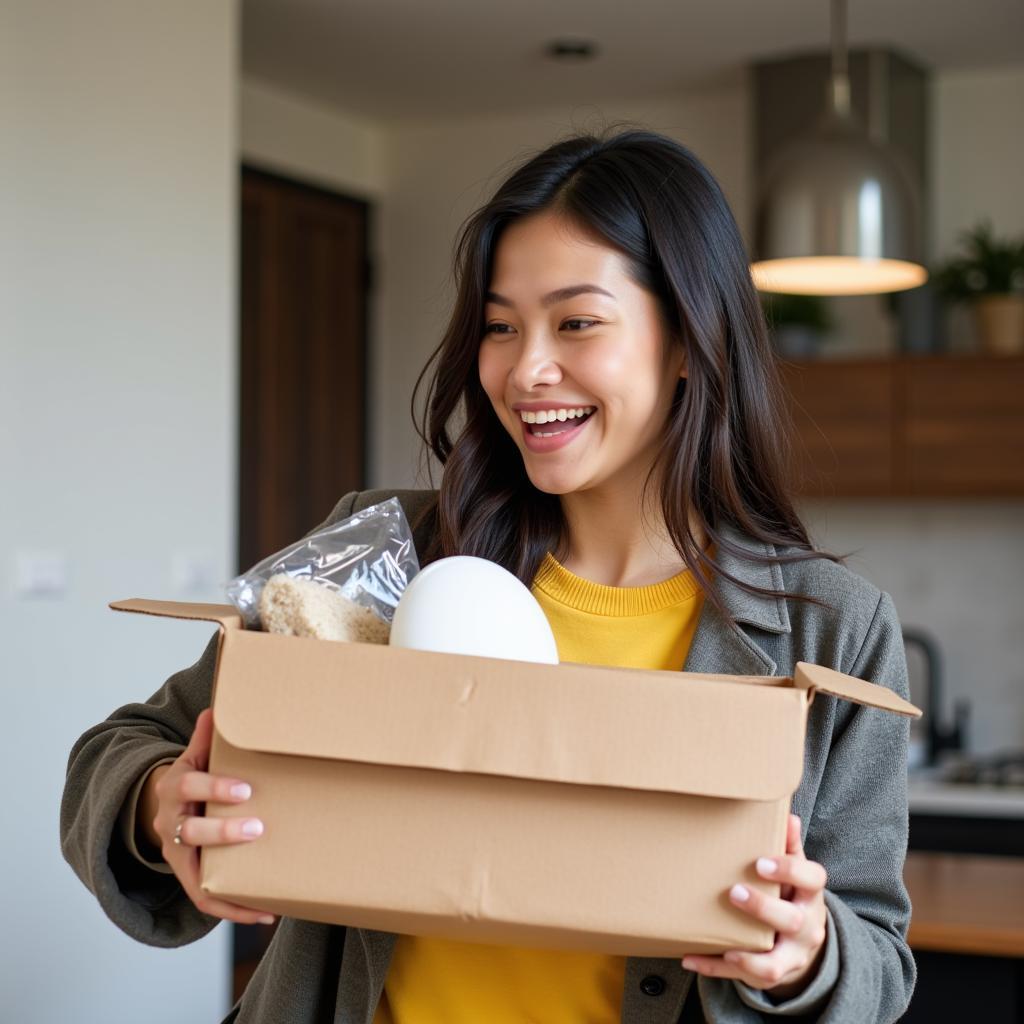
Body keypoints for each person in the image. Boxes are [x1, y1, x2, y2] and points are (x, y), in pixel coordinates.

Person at [60, 127, 915, 1023]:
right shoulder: (395, 555)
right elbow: (118, 750)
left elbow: (879, 964)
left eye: (576, 322)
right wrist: (162, 803)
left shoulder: (832, 630)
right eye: (500, 326)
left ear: (688, 340)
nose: (526, 369)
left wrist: (811, 952)